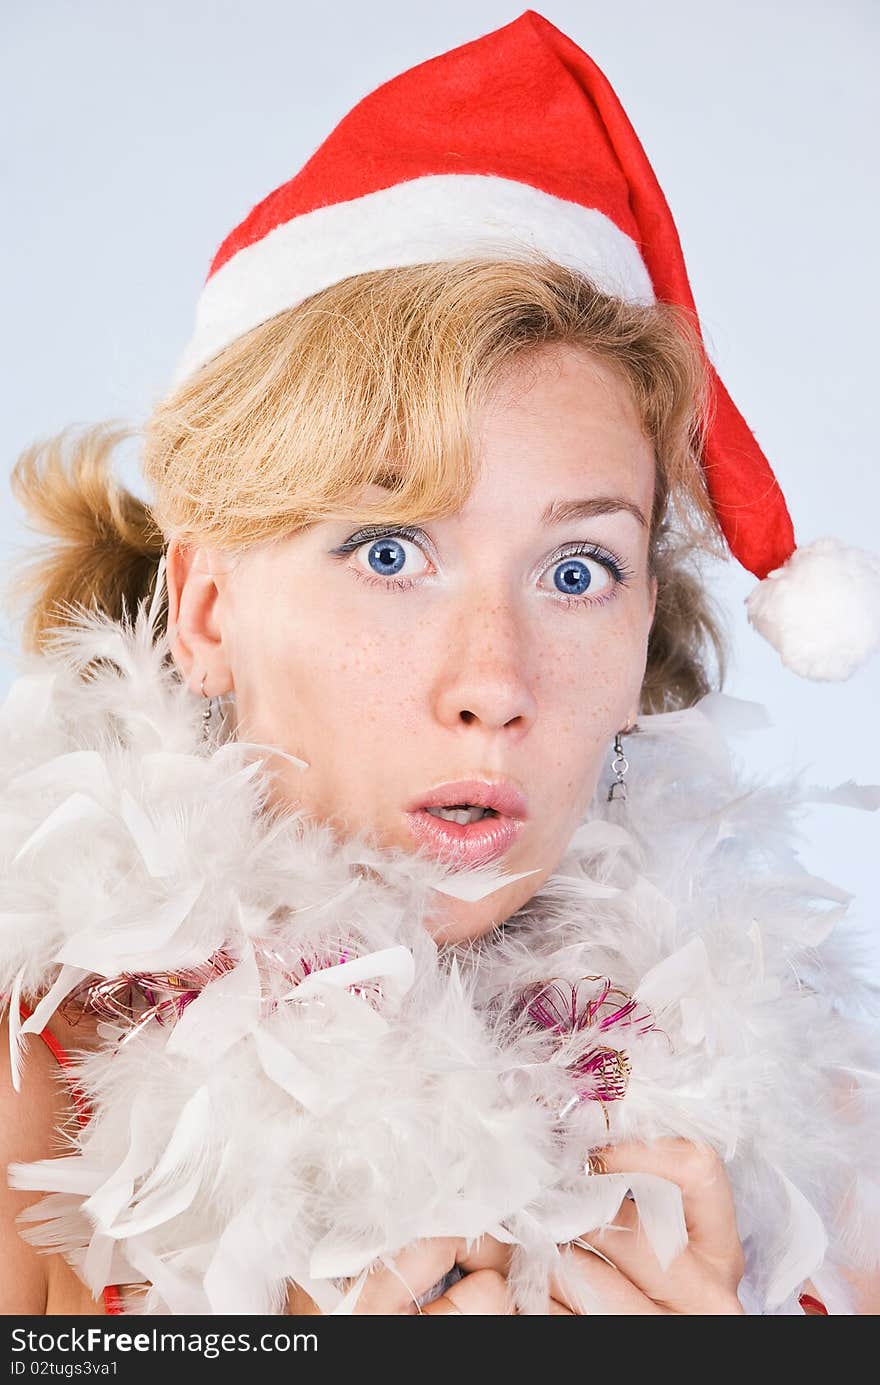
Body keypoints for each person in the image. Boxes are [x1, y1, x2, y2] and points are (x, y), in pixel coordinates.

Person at [1, 10, 878, 1317]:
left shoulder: (816, 1125)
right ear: (206, 603)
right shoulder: (34, 1099)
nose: (495, 681)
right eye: (391, 551)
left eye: (576, 570)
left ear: (648, 632)